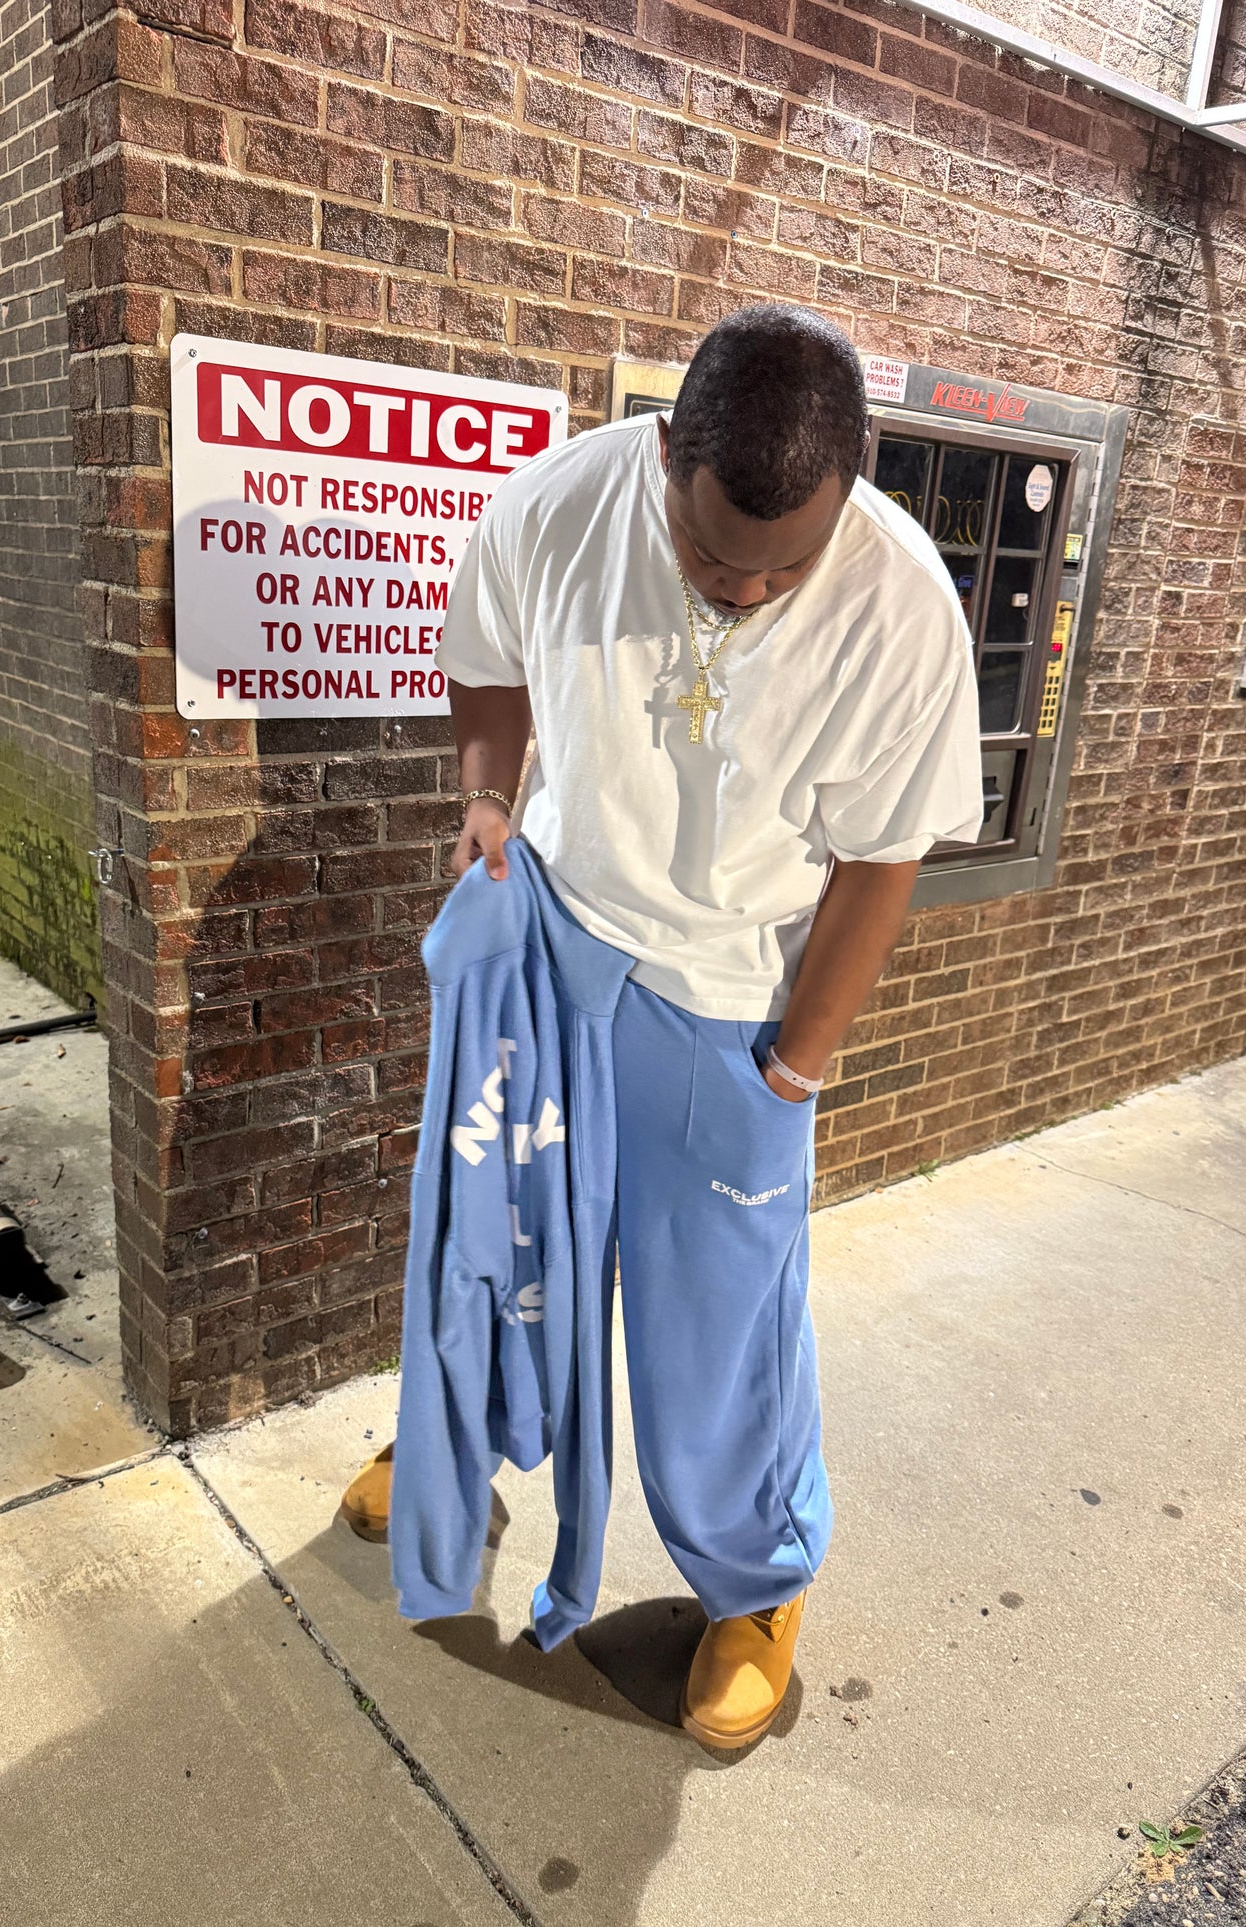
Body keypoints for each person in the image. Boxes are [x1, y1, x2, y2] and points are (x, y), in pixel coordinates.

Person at [341, 303, 983, 1749]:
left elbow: (884, 861)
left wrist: (794, 1067)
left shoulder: (900, 607)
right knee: (488, 1235)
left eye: (783, 565)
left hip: (727, 998)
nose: (745, 591)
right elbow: (488, 654)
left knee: (718, 1333)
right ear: (659, 459)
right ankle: (457, 1454)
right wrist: (488, 799)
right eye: (710, 556)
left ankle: (754, 1586)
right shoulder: (563, 501)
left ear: (851, 491)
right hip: (557, 935)